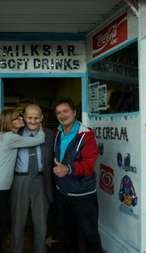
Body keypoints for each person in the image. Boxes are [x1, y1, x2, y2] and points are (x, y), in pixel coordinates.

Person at [0, 104, 54, 253]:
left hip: (41, 180)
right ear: (24, 118)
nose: (32, 121)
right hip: (19, 181)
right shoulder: (15, 132)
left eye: (36, 118)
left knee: (41, 224)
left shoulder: (50, 134)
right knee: (18, 223)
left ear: (42, 118)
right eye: (29, 117)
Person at [52, 97, 103, 253]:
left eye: (65, 111)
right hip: (63, 192)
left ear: (74, 113)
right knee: (67, 235)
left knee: (90, 235)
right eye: (58, 112)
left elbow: (88, 165)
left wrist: (68, 169)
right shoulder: (58, 133)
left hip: (83, 195)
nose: (62, 115)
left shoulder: (85, 135)